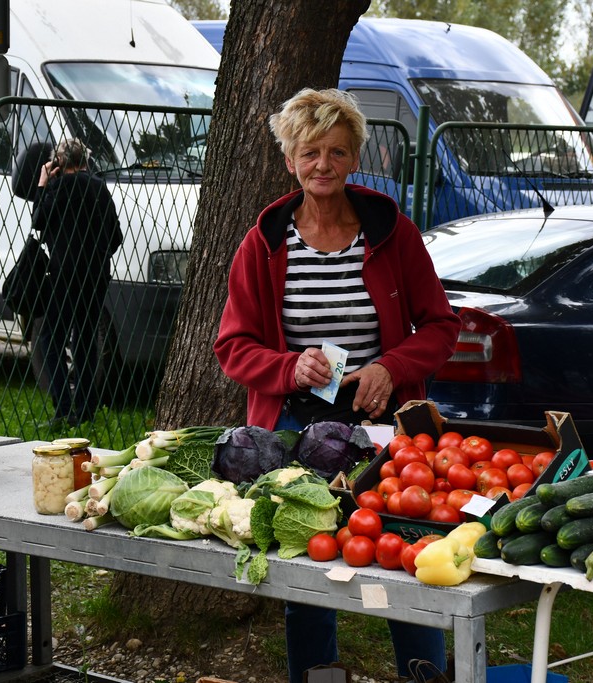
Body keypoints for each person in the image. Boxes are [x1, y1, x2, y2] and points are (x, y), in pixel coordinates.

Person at [214, 88, 461, 683]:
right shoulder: (264, 242)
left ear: (354, 159)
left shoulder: (391, 233)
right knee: (309, 558)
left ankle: (423, 675)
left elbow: (441, 325)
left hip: (382, 425)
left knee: (407, 554)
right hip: (297, 430)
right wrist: (288, 368)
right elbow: (232, 345)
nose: (322, 164)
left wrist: (390, 367)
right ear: (289, 161)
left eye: (336, 151)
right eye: (309, 152)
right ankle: (317, 676)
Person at [31, 138, 122, 427]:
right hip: (95, 277)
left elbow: (38, 221)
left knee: (50, 338)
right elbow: (116, 236)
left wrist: (43, 183)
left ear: (59, 163)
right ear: (86, 159)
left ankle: (62, 407)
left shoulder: (57, 188)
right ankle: (84, 410)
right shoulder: (99, 188)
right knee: (85, 342)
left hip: (62, 276)